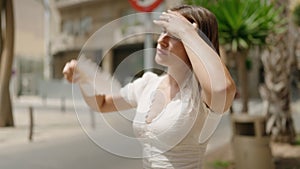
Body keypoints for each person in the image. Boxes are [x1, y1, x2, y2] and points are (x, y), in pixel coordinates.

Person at [63, 5, 236, 169]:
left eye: (174, 35)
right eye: (163, 32)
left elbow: (223, 89)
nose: (161, 40)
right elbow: (101, 104)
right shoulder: (149, 83)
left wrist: (186, 31)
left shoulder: (200, 94)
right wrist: (82, 78)